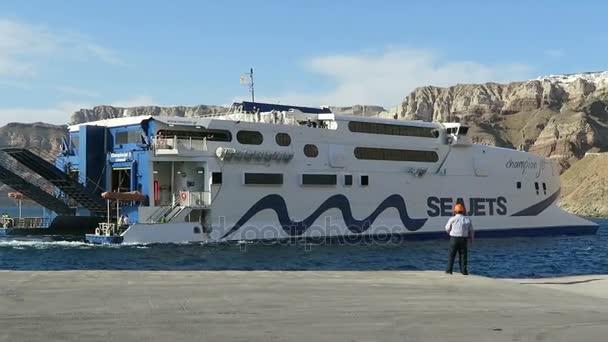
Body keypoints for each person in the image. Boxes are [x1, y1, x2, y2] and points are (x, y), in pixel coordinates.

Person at [445, 203, 474, 275]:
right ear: (463, 211)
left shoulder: (452, 219)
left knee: (451, 255)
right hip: (463, 239)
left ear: (455, 211)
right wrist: (471, 239)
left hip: (454, 238)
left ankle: (449, 270)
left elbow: (447, 228)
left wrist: (450, 233)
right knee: (463, 255)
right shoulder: (467, 219)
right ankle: (464, 271)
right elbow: (471, 230)